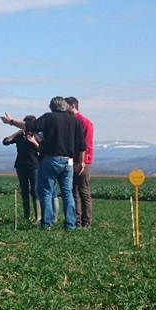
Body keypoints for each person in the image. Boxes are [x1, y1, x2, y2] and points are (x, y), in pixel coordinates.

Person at [1, 96, 86, 230]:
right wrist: (81, 162)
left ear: (52, 107)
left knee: (46, 192)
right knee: (68, 193)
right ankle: (70, 224)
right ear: (65, 106)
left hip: (50, 160)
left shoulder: (49, 117)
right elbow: (82, 145)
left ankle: (47, 224)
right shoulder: (75, 122)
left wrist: (10, 121)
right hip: (68, 161)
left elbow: (30, 126)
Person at [2, 115, 42, 223]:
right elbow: (6, 141)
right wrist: (17, 133)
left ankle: (38, 216)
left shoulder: (37, 136)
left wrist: (33, 140)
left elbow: (42, 149)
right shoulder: (19, 137)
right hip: (21, 165)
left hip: (34, 165)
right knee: (24, 190)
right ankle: (26, 216)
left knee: (34, 190)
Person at [66, 96, 94, 229]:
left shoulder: (85, 122)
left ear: (72, 106)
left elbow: (86, 144)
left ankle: (86, 221)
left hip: (83, 161)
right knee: (73, 192)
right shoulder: (70, 121)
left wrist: (81, 162)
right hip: (71, 160)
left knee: (83, 192)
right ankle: (75, 220)